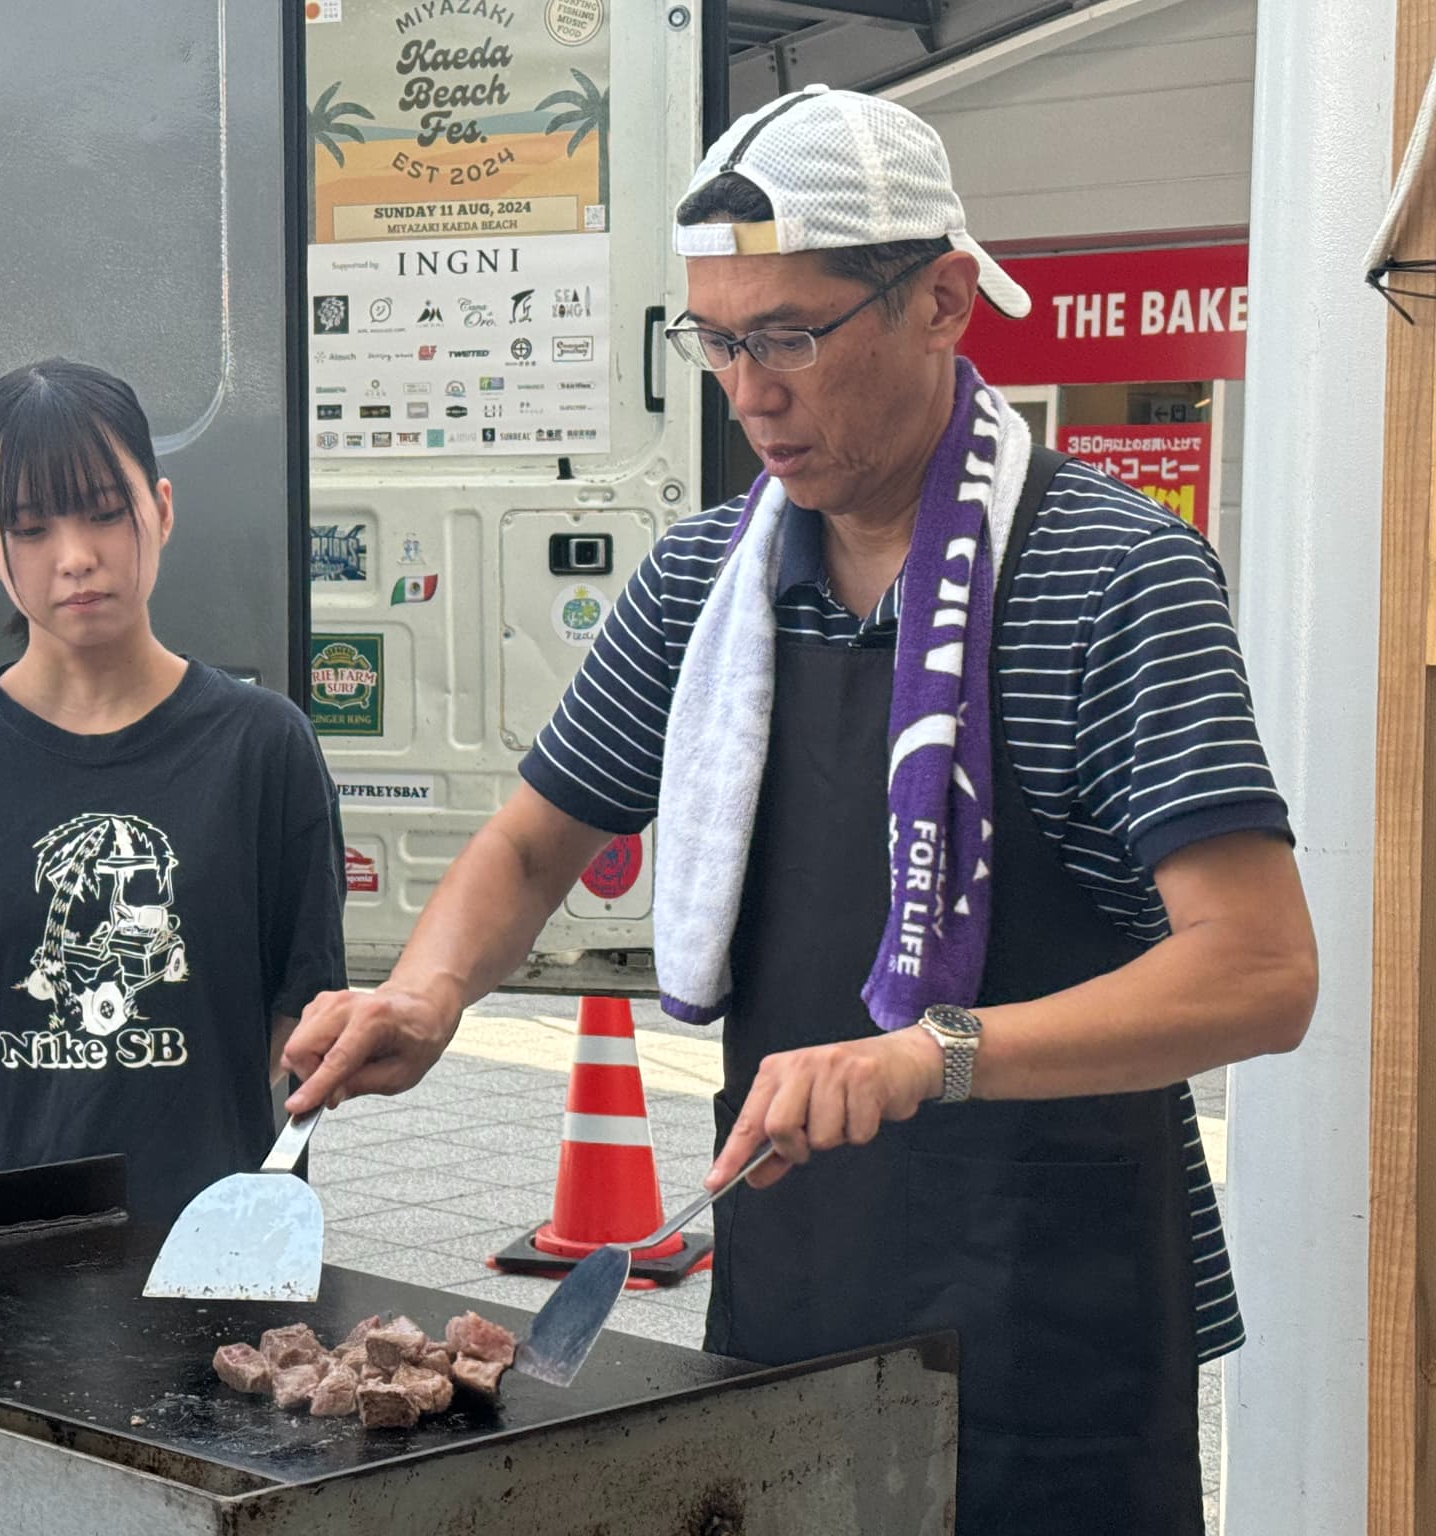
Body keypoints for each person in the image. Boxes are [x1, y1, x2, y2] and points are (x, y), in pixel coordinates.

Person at [284, 88, 1315, 1533]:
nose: (748, 391)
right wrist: (429, 990)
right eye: (717, 340)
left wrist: (933, 1055)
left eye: (792, 336)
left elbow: (1261, 972)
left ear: (944, 300)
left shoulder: (1112, 577)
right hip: (787, 1273)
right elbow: (533, 837)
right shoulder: (710, 582)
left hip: (1057, 1305)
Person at [0, 359, 346, 1224]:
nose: (76, 557)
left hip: (209, 1240)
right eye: (32, 529)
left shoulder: (264, 746)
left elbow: (287, 1024)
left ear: (160, 507)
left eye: (105, 514)